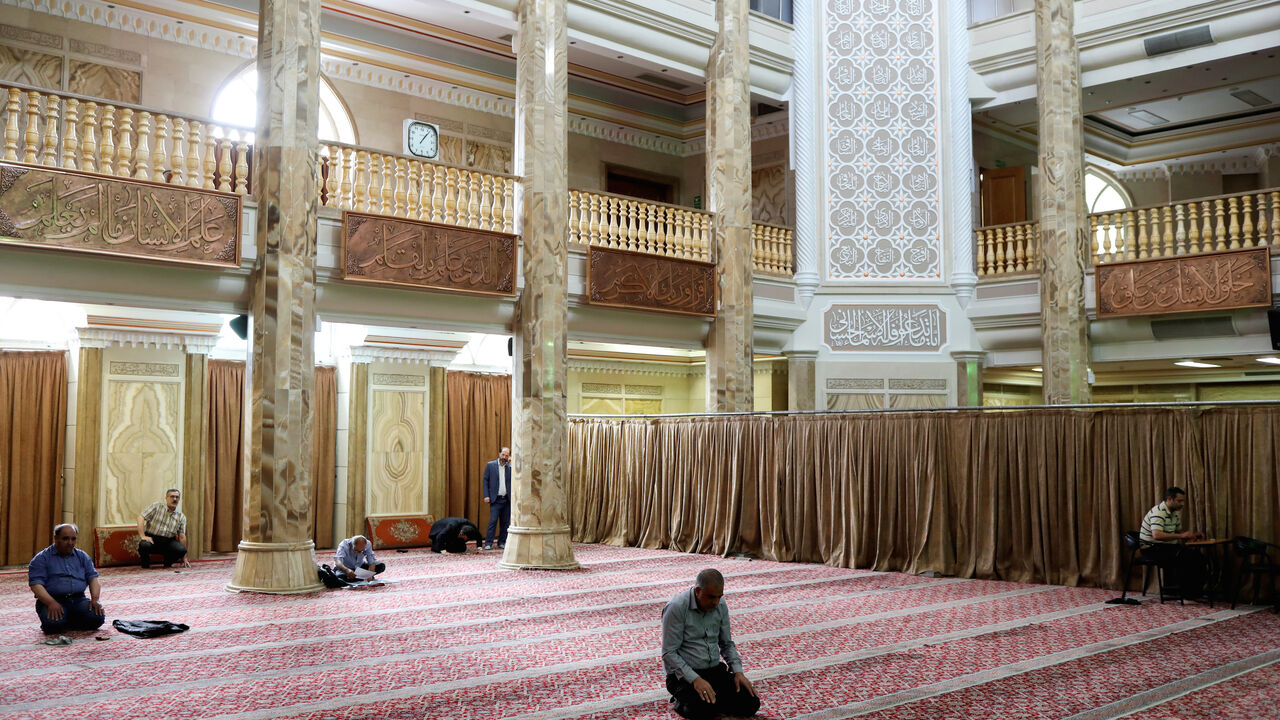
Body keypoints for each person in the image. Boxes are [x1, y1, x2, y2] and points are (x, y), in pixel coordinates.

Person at [661, 568, 760, 720]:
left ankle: (713, 701)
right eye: (711, 597)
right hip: (683, 676)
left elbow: (726, 643)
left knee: (750, 703)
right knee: (702, 710)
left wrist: (738, 672)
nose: (715, 602)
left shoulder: (720, 605)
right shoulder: (677, 607)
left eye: (719, 597)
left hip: (714, 671)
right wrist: (696, 680)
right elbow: (669, 653)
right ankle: (682, 701)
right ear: (697, 591)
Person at [29, 523, 106, 635]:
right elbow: (36, 585)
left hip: (78, 599)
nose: (70, 543)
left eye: (73, 539)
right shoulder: (41, 559)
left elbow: (93, 578)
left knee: (97, 618)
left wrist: (95, 599)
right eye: (65, 539)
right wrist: (51, 603)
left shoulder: (82, 556)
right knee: (53, 625)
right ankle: (66, 620)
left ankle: (67, 620)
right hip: (52, 600)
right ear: (55, 538)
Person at [1140, 486, 1208, 599]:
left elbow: (1177, 531)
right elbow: (1157, 535)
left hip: (1167, 547)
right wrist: (1181, 536)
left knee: (1199, 557)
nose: (1182, 504)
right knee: (1187, 557)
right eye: (1179, 501)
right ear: (1170, 499)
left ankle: (1195, 593)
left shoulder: (1174, 513)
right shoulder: (1159, 512)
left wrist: (1192, 535)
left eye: (1183, 501)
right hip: (1152, 549)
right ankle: (1187, 596)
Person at [137, 488, 189, 569]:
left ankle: (167, 563)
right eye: (172, 496)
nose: (174, 499)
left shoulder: (181, 516)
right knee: (144, 545)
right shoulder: (156, 506)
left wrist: (184, 557)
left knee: (182, 550)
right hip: (152, 539)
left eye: (177, 497)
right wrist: (143, 536)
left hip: (168, 541)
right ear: (166, 498)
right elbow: (141, 517)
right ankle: (145, 565)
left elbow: (182, 536)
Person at [482, 446, 512, 550]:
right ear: (499, 454)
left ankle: (502, 542)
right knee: (493, 521)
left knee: (505, 523)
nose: (504, 457)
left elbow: (516, 480)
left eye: (507, 455)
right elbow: (485, 480)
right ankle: (488, 543)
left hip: (507, 500)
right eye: (503, 454)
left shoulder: (510, 468)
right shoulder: (490, 465)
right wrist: (486, 495)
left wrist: (511, 464)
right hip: (495, 499)